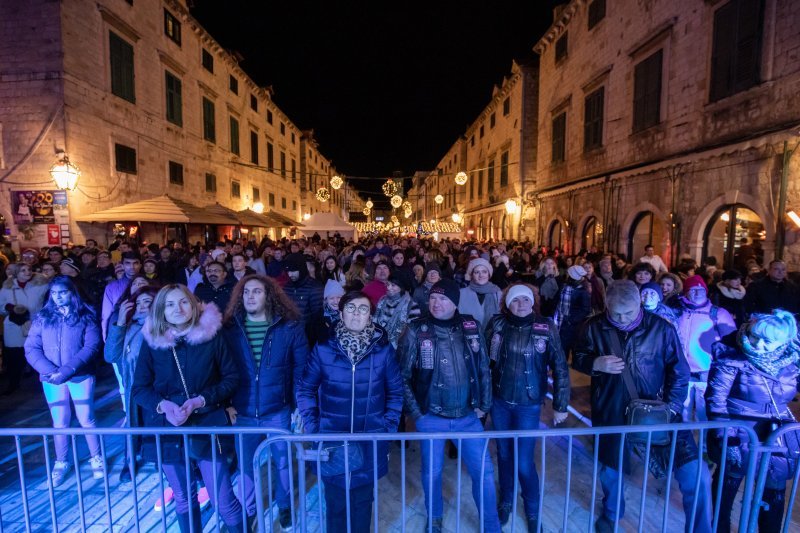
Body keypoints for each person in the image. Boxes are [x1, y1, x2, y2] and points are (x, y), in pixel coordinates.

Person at [572, 280, 712, 533]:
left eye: (629, 312)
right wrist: (595, 363)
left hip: (660, 411)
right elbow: (579, 357)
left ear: (640, 305)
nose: (623, 319)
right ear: (606, 306)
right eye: (616, 313)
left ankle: (701, 528)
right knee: (611, 472)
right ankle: (612, 515)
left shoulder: (662, 328)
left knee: (696, 473)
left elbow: (679, 371)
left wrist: (672, 406)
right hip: (612, 412)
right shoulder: (593, 327)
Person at [132, 285, 244, 533]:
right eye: (170, 304)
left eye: (183, 302)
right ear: (161, 310)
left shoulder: (212, 336)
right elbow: (139, 388)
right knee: (183, 497)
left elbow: (231, 378)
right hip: (167, 427)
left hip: (207, 423)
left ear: (193, 304)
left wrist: (201, 400)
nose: (178, 309)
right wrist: (163, 406)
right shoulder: (152, 342)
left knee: (223, 500)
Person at [398, 279, 501, 533]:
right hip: (431, 415)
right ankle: (434, 517)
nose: (436, 303)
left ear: (455, 303)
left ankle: (491, 525)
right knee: (431, 472)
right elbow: (401, 376)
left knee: (484, 472)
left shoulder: (471, 327)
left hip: (468, 416)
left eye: (443, 299)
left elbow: (483, 369)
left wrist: (483, 406)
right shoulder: (416, 329)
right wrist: (418, 414)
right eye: (433, 297)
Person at [296, 291, 404, 533]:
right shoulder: (323, 349)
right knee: (335, 506)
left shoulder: (383, 351)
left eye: (363, 309)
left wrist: (386, 429)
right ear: (341, 313)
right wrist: (315, 429)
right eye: (351, 308)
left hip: (370, 440)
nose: (357, 313)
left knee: (362, 505)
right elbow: (305, 390)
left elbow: (396, 393)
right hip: (332, 441)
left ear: (371, 317)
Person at [223, 275, 308, 530]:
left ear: (269, 295)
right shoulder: (231, 329)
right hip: (243, 410)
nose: (250, 296)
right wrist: (227, 402)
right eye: (246, 292)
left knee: (282, 462)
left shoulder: (289, 328)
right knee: (246, 465)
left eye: (257, 291)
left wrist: (298, 406)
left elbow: (300, 370)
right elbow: (222, 369)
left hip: (277, 409)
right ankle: (250, 510)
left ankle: (284, 505)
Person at [706, 310, 800, 533]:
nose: (757, 344)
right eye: (755, 336)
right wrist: (727, 439)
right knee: (724, 494)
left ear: (783, 342)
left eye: (767, 341)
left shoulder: (792, 361)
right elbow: (716, 399)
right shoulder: (731, 357)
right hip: (738, 432)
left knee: (773, 495)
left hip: (775, 435)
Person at [485, 283, 570, 530]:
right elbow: (486, 363)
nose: (520, 304)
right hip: (500, 401)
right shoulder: (497, 324)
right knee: (503, 454)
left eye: (525, 299)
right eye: (515, 300)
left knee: (523, 460)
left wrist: (561, 403)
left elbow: (560, 366)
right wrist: (482, 399)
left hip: (528, 404)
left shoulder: (546, 327)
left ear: (532, 301)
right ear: (507, 304)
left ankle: (532, 509)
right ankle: (506, 501)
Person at [24, 276, 104, 486]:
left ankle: (96, 458)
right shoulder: (43, 317)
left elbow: (91, 346)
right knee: (60, 422)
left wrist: (67, 370)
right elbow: (31, 347)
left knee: (86, 418)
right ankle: (61, 461)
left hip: (79, 375)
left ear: (72, 292)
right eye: (54, 293)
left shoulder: (85, 315)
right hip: (51, 378)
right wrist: (50, 371)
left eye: (63, 292)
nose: (58, 297)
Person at [104, 285, 159, 483]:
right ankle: (131, 460)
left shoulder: (164, 325)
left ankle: (161, 459)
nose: (142, 306)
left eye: (148, 302)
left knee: (158, 425)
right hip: (134, 387)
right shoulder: (129, 327)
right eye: (138, 303)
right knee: (135, 423)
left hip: (159, 388)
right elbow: (110, 355)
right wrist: (119, 322)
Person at [673, 275, 737, 422]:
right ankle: (683, 444)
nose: (697, 293)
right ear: (686, 292)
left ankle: (704, 445)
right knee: (682, 415)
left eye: (701, 289)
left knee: (705, 415)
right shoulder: (677, 312)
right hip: (682, 373)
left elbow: (731, 344)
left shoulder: (719, 314)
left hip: (707, 373)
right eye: (693, 289)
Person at [0, 264, 49, 394]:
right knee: (14, 357)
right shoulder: (7, 288)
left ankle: (43, 384)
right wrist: (9, 308)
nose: (27, 272)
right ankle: (13, 384)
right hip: (14, 327)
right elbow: (1, 307)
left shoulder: (41, 285)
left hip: (35, 324)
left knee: (38, 354)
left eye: (29, 270)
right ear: (16, 273)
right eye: (23, 270)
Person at [281, 254, 324, 343]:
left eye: (293, 271)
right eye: (288, 271)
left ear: (301, 269)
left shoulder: (315, 287)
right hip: (289, 334)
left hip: (307, 337)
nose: (290, 274)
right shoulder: (287, 287)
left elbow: (317, 316)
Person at [554, 265, 592, 359]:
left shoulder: (582, 291)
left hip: (571, 322)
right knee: (562, 344)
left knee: (570, 344)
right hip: (560, 319)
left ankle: (569, 363)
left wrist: (572, 319)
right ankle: (563, 362)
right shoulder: (565, 286)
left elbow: (585, 309)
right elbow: (559, 301)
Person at [374, 273, 419, 349]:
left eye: (393, 285)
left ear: (401, 287)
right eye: (388, 284)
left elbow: (413, 330)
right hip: (378, 343)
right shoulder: (382, 300)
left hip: (399, 346)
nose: (389, 287)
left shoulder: (411, 305)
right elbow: (375, 320)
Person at [458, 258, 502, 328]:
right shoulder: (461, 293)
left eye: (484, 272)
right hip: (469, 335)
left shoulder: (497, 293)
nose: (481, 275)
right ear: (472, 275)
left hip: (492, 336)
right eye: (477, 272)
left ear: (489, 274)